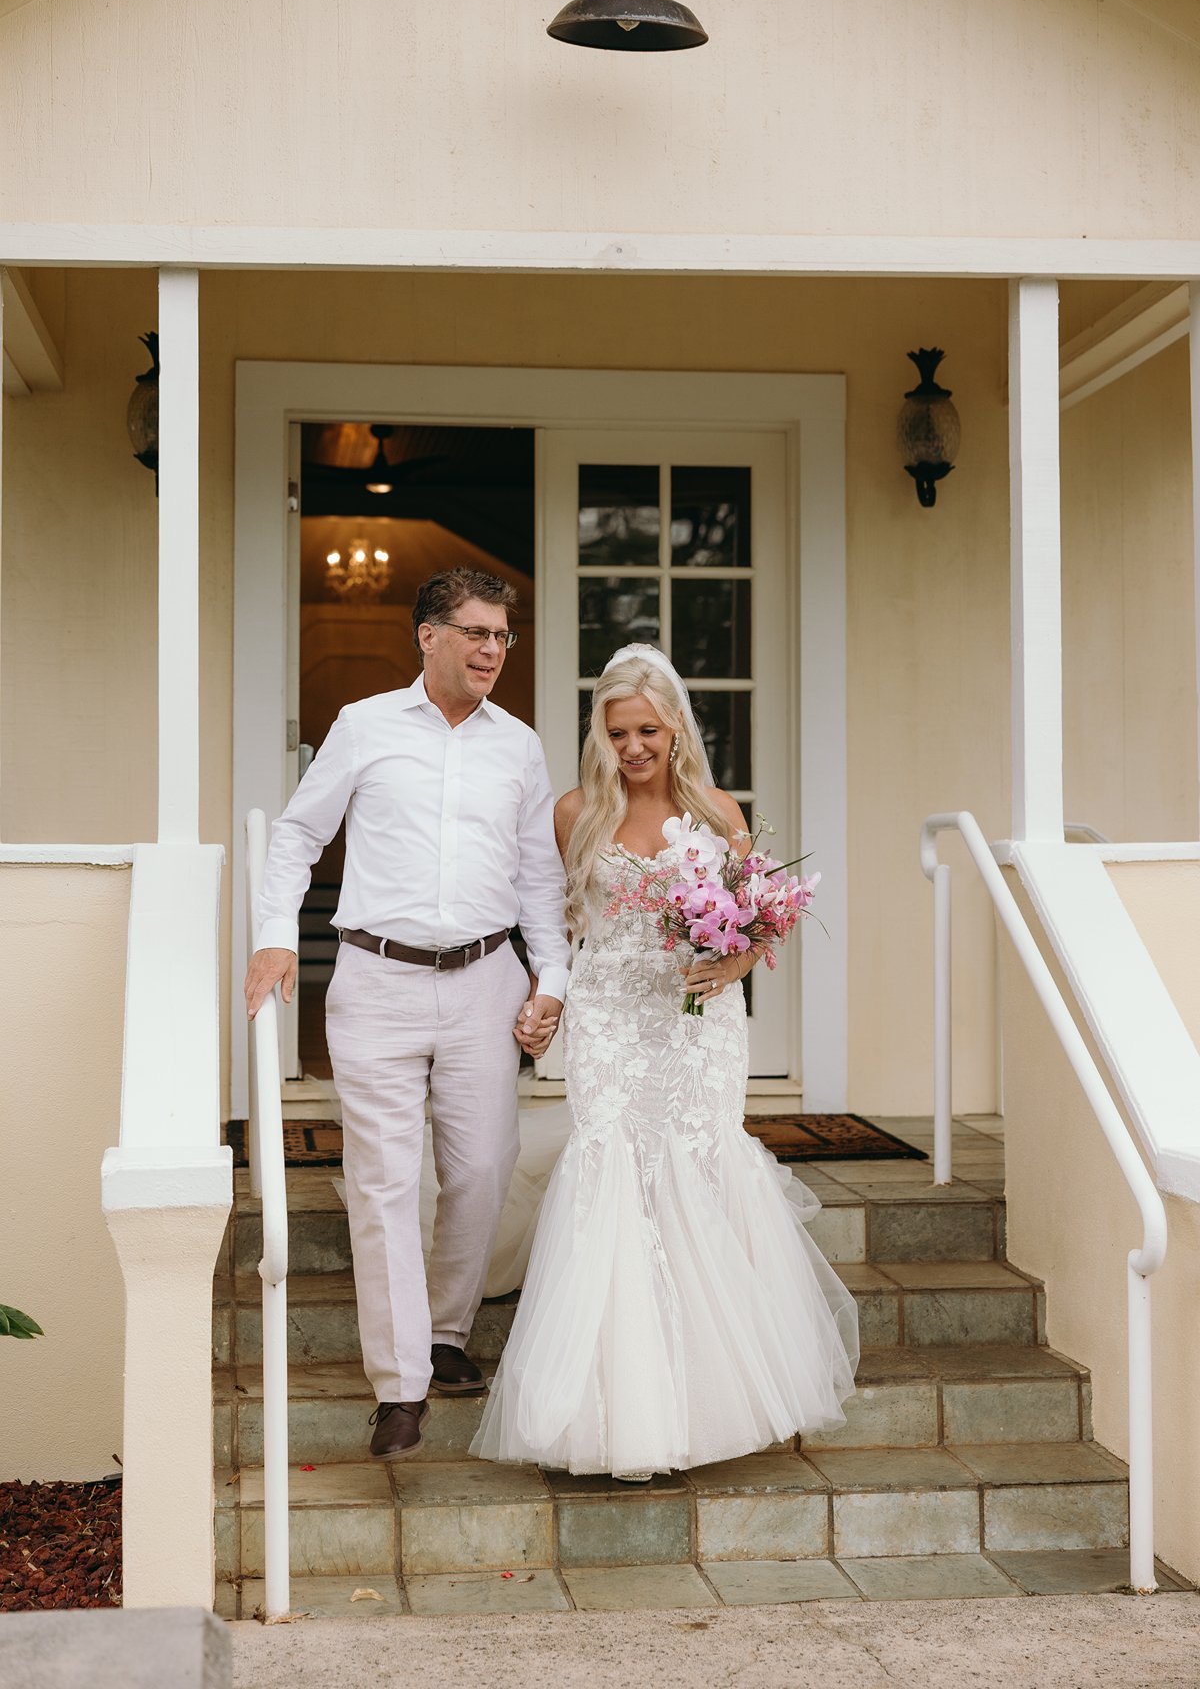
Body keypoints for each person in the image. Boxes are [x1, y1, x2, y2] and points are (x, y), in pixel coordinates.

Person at [471, 644, 859, 1479]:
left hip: (698, 1022)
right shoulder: (575, 812)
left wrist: (733, 963)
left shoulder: (721, 812)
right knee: (613, 1167)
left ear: (676, 727)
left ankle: (710, 1398)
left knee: (697, 1166)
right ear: (599, 737)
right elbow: (556, 925)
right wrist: (548, 1000)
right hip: (612, 1016)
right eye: (618, 733)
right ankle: (609, 1413)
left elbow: (759, 920)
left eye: (648, 729)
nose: (634, 746)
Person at [245, 567, 570, 1461]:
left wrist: (552, 980)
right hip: (376, 979)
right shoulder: (364, 726)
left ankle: (447, 1334)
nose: (491, 650)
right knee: (386, 1183)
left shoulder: (521, 747)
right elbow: (299, 832)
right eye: (473, 632)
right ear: (426, 636)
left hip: (485, 979)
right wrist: (276, 934)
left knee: (481, 1168)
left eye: (502, 635)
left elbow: (540, 876)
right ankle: (400, 1388)